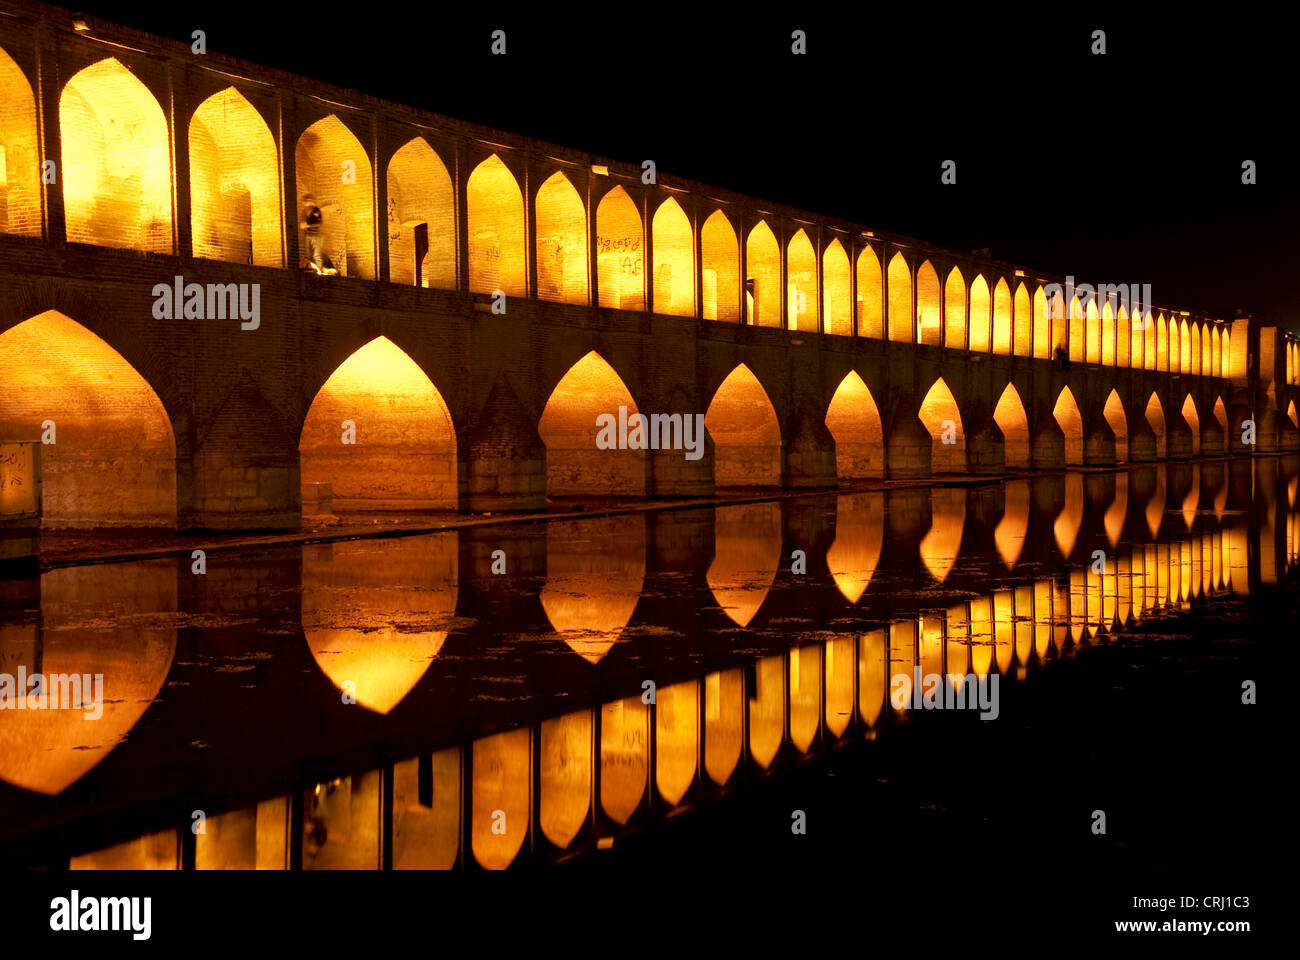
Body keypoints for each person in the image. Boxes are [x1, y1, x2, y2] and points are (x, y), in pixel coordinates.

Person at [300, 195, 326, 272]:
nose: (304, 203)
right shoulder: (304, 212)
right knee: (308, 255)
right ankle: (311, 270)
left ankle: (319, 271)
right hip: (308, 235)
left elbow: (319, 223)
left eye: (306, 201)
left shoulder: (315, 211)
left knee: (316, 255)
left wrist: (307, 224)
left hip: (316, 235)